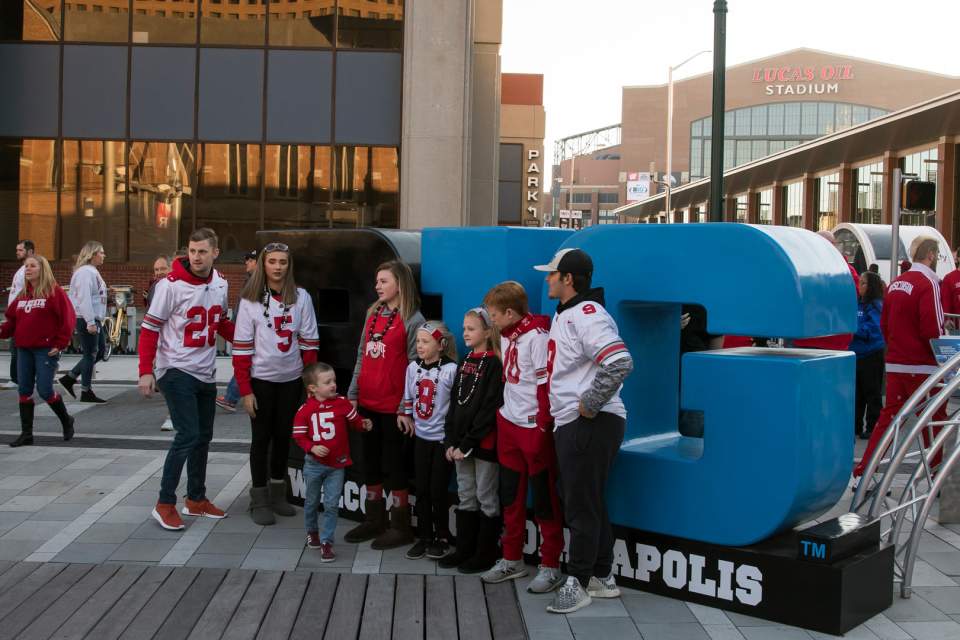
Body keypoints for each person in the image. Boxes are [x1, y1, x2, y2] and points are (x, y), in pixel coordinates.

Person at [534, 248, 634, 614]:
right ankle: (601, 576)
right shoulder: (570, 314)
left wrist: (589, 404)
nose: (547, 279)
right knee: (587, 500)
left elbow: (620, 361)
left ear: (568, 279)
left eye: (552, 274)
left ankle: (577, 582)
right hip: (580, 422)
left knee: (579, 505)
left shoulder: (586, 314)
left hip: (590, 422)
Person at [138, 228, 234, 531]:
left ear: (215, 253)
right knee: (187, 434)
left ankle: (195, 499)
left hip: (205, 370)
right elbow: (150, 329)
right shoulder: (170, 285)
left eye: (203, 251)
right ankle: (164, 503)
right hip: (175, 369)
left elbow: (222, 325)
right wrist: (145, 370)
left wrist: (255, 341)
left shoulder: (221, 283)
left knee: (203, 437)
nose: (196, 257)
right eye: (192, 251)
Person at [481, 281, 565, 595]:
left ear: (510, 312)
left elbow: (546, 386)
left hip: (533, 427)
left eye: (493, 314)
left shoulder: (537, 338)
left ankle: (551, 565)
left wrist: (543, 425)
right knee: (510, 496)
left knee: (544, 498)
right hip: (510, 424)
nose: (491, 320)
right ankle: (511, 558)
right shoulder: (507, 334)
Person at [233, 242, 319, 525]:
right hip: (261, 381)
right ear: (263, 264)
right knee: (261, 439)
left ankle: (278, 494)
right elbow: (242, 350)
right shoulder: (249, 299)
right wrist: (245, 390)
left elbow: (308, 343)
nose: (278, 267)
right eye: (273, 261)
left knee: (284, 437)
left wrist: (310, 384)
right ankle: (259, 498)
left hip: (291, 380)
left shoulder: (302, 297)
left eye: (283, 261)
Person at [344, 260, 425, 549]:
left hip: (394, 408)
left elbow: (418, 369)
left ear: (400, 284)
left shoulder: (414, 320)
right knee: (370, 462)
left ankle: (400, 526)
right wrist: (353, 393)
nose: (377, 286)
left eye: (383, 281)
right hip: (367, 402)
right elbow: (361, 356)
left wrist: (406, 406)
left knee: (395, 466)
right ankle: (373, 519)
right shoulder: (373, 314)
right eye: (376, 281)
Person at [854, 237, 946, 479]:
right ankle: (935, 471)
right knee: (934, 420)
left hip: (896, 363)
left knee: (889, 420)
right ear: (932, 255)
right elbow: (933, 329)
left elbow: (885, 324)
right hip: (923, 365)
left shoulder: (896, 283)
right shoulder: (929, 283)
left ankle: (866, 467)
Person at [439, 307, 504, 573]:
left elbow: (489, 409)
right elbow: (455, 404)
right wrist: (451, 442)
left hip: (482, 445)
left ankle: (485, 554)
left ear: (488, 332)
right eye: (464, 328)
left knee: (485, 496)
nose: (465, 333)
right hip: (460, 446)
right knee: (466, 495)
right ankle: (464, 549)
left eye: (471, 329)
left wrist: (467, 443)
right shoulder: (465, 361)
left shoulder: (494, 364)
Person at [292, 362, 372, 562]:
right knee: (311, 502)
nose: (333, 385)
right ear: (313, 388)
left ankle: (327, 541)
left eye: (334, 380)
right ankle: (312, 531)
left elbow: (355, 423)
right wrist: (312, 447)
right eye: (327, 382)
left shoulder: (343, 403)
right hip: (314, 464)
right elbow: (299, 436)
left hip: (337, 464)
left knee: (331, 504)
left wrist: (363, 424)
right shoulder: (305, 410)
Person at [0, 256, 76, 447]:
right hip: (23, 349)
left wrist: (59, 344)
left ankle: (67, 420)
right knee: (24, 390)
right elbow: (11, 322)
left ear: (43, 269)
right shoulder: (23, 294)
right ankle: (27, 434)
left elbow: (68, 320)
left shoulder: (55, 292)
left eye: (33, 266)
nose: (28, 269)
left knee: (44, 390)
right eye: (26, 266)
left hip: (45, 350)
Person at [398, 322, 458, 560]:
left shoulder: (451, 370)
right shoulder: (413, 368)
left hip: (441, 440)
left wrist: (452, 438)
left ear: (440, 345)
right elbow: (408, 397)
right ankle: (424, 536)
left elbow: (455, 407)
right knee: (421, 488)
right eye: (417, 342)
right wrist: (405, 415)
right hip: (420, 438)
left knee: (438, 490)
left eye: (425, 342)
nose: (419, 346)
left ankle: (442, 536)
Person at [60, 241, 109, 404]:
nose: (104, 255)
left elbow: (93, 295)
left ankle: (70, 378)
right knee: (91, 354)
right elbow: (84, 298)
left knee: (101, 351)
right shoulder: (85, 272)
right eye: (101, 252)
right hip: (86, 318)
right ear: (93, 254)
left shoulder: (91, 271)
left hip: (94, 318)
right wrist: (90, 321)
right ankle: (86, 391)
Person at [793, 230, 859, 351]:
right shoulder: (846, 271)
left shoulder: (801, 268)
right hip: (837, 339)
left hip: (805, 337)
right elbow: (855, 297)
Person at [218, 249, 259, 412]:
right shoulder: (250, 280)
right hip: (242, 327)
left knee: (247, 363)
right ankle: (232, 397)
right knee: (248, 363)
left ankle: (231, 398)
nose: (247, 262)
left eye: (250, 259)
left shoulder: (257, 281)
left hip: (250, 329)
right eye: (246, 259)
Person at [851, 271, 885, 440]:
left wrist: (854, 330)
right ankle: (855, 426)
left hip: (871, 354)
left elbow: (874, 329)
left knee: (872, 393)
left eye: (863, 283)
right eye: (860, 283)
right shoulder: (858, 304)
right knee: (857, 395)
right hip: (857, 354)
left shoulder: (875, 306)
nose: (860, 286)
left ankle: (872, 427)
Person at [3, 240, 35, 390]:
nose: (17, 252)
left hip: (22, 315)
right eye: (17, 250)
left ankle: (16, 378)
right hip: (16, 314)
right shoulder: (21, 270)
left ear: (29, 252)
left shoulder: (29, 271)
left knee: (16, 348)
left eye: (20, 250)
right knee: (16, 348)